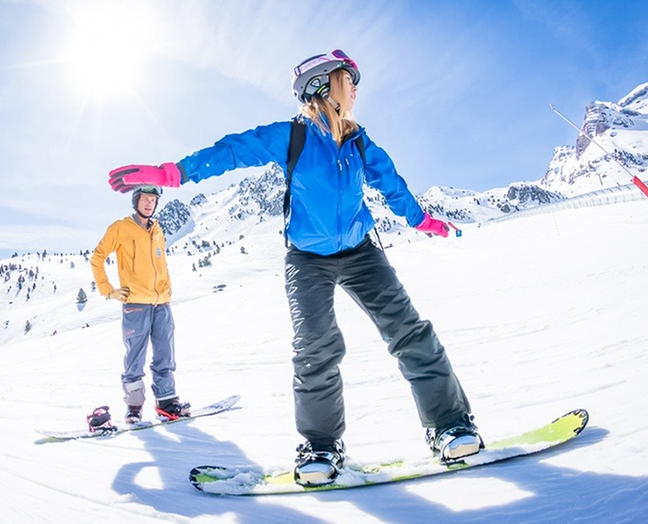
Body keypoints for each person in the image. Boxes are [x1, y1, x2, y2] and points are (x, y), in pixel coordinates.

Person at [107, 49, 481, 486]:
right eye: (349, 77)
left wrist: (426, 222)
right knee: (316, 347)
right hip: (306, 260)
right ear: (324, 85)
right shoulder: (293, 137)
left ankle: (450, 426)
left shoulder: (361, 143)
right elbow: (234, 150)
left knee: (409, 332)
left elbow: (394, 187)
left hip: (362, 253)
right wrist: (175, 173)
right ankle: (321, 444)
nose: (356, 86)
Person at [90, 185, 190, 424]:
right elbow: (97, 258)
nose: (149, 204)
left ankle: (167, 402)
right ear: (136, 201)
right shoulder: (120, 228)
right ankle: (134, 407)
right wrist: (108, 290)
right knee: (135, 357)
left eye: (153, 200)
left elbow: (162, 262)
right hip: (135, 304)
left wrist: (167, 289)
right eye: (144, 199)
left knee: (165, 356)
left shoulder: (157, 230)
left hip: (162, 304)